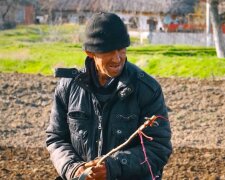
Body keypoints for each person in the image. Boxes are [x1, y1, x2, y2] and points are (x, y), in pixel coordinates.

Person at [46, 12, 172, 180]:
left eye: (121, 49)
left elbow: (158, 147)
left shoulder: (147, 90)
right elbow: (56, 138)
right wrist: (74, 168)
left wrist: (113, 167)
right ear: (90, 52)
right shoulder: (68, 87)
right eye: (109, 51)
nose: (117, 58)